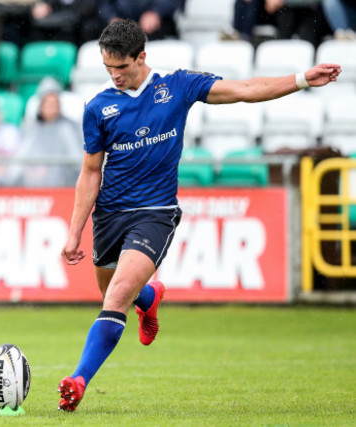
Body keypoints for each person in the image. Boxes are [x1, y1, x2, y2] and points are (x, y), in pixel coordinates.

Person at [57, 19, 341, 412]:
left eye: (121, 67)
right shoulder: (98, 108)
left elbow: (244, 90)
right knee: (111, 292)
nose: (115, 76)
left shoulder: (177, 86)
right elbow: (90, 173)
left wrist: (302, 79)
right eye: (109, 69)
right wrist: (74, 232)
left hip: (155, 213)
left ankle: (78, 381)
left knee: (116, 296)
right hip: (109, 215)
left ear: (141, 57)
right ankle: (150, 296)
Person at [11, 77, 82, 187]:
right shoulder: (31, 129)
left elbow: (77, 162)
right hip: (33, 189)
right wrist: (29, 172)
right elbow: (19, 163)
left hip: (65, 188)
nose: (52, 107)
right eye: (48, 103)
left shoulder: (68, 128)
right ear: (41, 105)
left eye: (55, 103)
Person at [99, 0, 181, 40]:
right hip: (121, 28)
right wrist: (112, 17)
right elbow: (104, 4)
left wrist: (156, 12)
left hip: (157, 29)